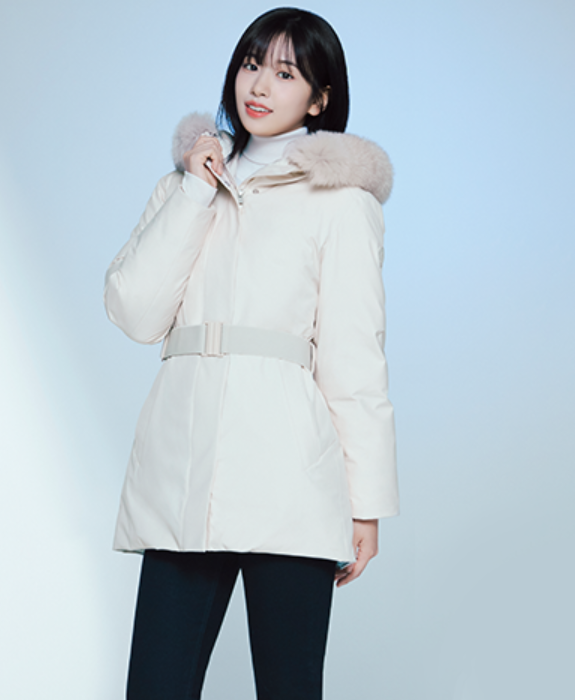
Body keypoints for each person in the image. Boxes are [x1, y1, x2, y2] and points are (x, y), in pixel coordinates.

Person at [104, 7, 399, 700]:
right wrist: (196, 188)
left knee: (289, 688)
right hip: (184, 475)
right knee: (155, 687)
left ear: (319, 99)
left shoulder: (340, 202)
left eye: (286, 73)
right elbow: (135, 314)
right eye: (251, 63)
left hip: (290, 480)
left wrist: (365, 505)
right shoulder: (184, 187)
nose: (260, 85)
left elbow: (356, 358)